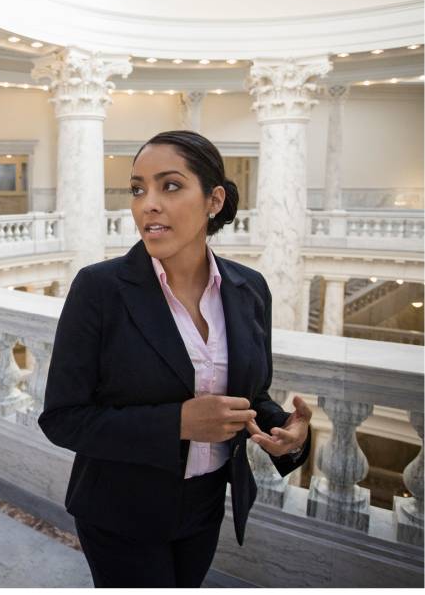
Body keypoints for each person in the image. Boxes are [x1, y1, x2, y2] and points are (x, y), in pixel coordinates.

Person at [38, 130, 312, 588]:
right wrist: (179, 423)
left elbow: (247, 395)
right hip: (119, 511)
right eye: (138, 188)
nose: (148, 203)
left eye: (170, 185)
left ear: (214, 199)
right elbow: (63, 419)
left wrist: (287, 431)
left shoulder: (250, 289)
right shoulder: (99, 289)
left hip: (206, 504)